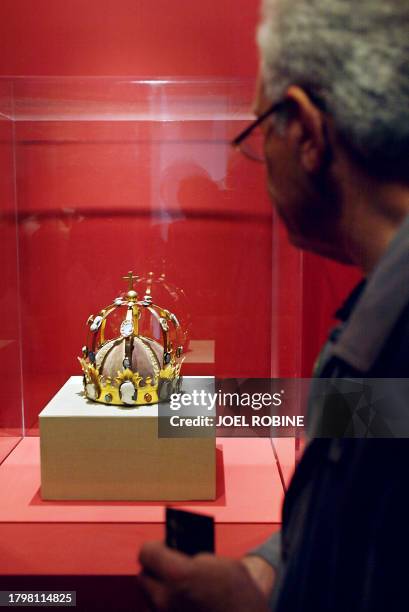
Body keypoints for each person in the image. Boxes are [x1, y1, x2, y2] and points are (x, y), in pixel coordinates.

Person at [139, 1, 409, 610]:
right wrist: (267, 576)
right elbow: (358, 510)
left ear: (308, 134)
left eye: (261, 128)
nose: (252, 158)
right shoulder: (378, 321)